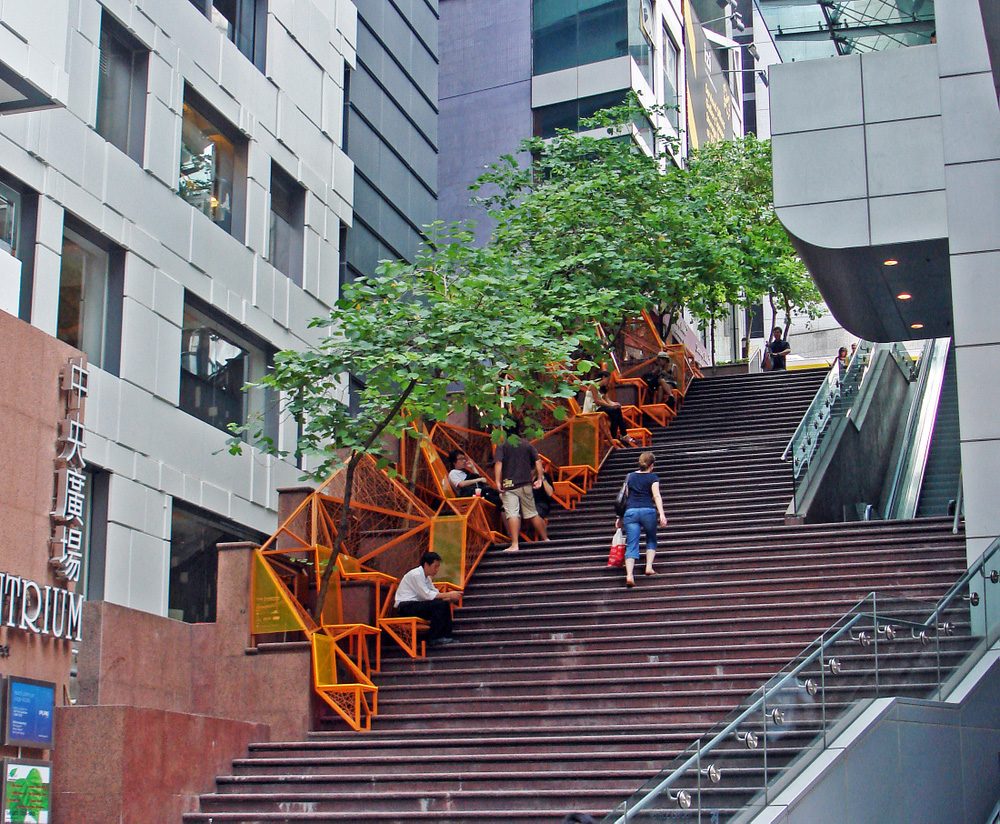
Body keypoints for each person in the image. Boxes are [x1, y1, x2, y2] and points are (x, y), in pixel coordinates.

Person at [493, 427, 549, 552]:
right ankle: (545, 539)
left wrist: (497, 481)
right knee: (532, 513)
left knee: (512, 514)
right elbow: (538, 461)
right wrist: (539, 478)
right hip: (525, 484)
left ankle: (515, 544)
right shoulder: (526, 444)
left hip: (509, 485)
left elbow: (498, 463)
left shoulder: (502, 446)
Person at [617, 451, 667, 588]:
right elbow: (656, 496)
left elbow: (624, 498)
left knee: (632, 543)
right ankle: (649, 567)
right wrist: (662, 514)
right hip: (647, 511)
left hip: (630, 512)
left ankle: (629, 575)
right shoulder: (653, 477)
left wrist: (619, 517)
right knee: (651, 538)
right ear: (652, 465)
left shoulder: (630, 477)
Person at [394, 551, 463, 645]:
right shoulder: (416, 574)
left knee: (444, 604)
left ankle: (446, 636)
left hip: (415, 605)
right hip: (405, 607)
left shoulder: (427, 578)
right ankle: (435, 637)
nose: (437, 569)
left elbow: (434, 593)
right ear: (426, 564)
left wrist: (449, 598)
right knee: (438, 606)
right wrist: (448, 595)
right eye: (435, 566)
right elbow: (427, 595)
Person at [587, 371, 639, 447]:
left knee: (617, 409)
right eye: (608, 380)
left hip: (598, 408)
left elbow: (607, 400)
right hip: (592, 410)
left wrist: (614, 404)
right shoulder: (593, 386)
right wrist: (610, 406)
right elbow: (597, 401)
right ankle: (619, 435)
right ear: (603, 377)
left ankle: (621, 434)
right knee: (614, 410)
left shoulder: (602, 388)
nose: (608, 382)